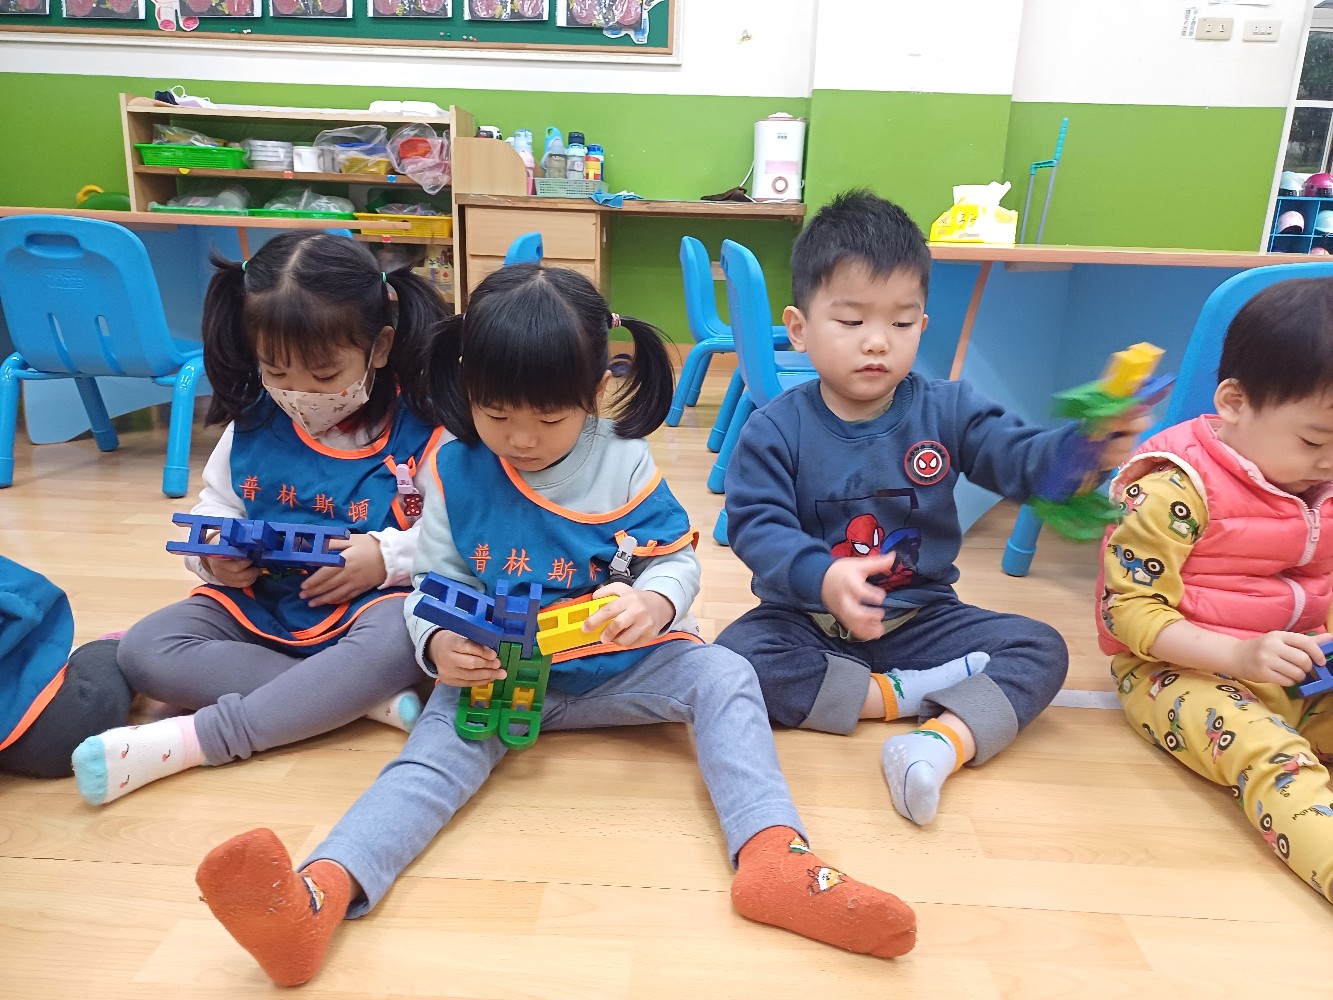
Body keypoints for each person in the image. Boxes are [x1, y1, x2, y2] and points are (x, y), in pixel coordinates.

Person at [193, 264, 917, 988]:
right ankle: (319, 895)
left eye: (548, 419)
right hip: (502, 675)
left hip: (617, 668)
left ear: (595, 391)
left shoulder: (623, 461)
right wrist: (440, 642)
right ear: (468, 388)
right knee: (424, 766)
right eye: (496, 414)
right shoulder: (455, 467)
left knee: (725, 673)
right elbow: (433, 584)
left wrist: (653, 604)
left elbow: (674, 559)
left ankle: (773, 856)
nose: (521, 439)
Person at [715, 190, 1146, 826]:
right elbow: (758, 527)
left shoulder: (948, 409)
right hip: (807, 621)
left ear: (922, 326)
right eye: (851, 321)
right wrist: (824, 577)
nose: (877, 343)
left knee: (1041, 648)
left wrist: (1084, 450)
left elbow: (1019, 458)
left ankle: (938, 742)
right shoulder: (774, 430)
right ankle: (910, 696)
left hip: (922, 620)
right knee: (734, 660)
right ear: (800, 329)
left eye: (901, 323)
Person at [71, 232, 448, 805]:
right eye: (277, 372)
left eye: (325, 375)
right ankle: (353, 698)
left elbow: (452, 535)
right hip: (262, 601)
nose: (300, 393)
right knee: (144, 649)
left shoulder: (421, 429)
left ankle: (199, 739)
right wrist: (214, 557)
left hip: (367, 609)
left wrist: (385, 557)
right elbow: (216, 505)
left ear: (379, 346)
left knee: (403, 635)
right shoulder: (253, 421)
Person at [1099, 276, 1333, 903]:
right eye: (1314, 441)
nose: (1329, 461)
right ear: (1233, 402)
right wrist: (1238, 655)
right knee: (1270, 755)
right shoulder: (1174, 487)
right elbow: (1129, 614)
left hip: (1304, 668)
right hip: (1180, 672)